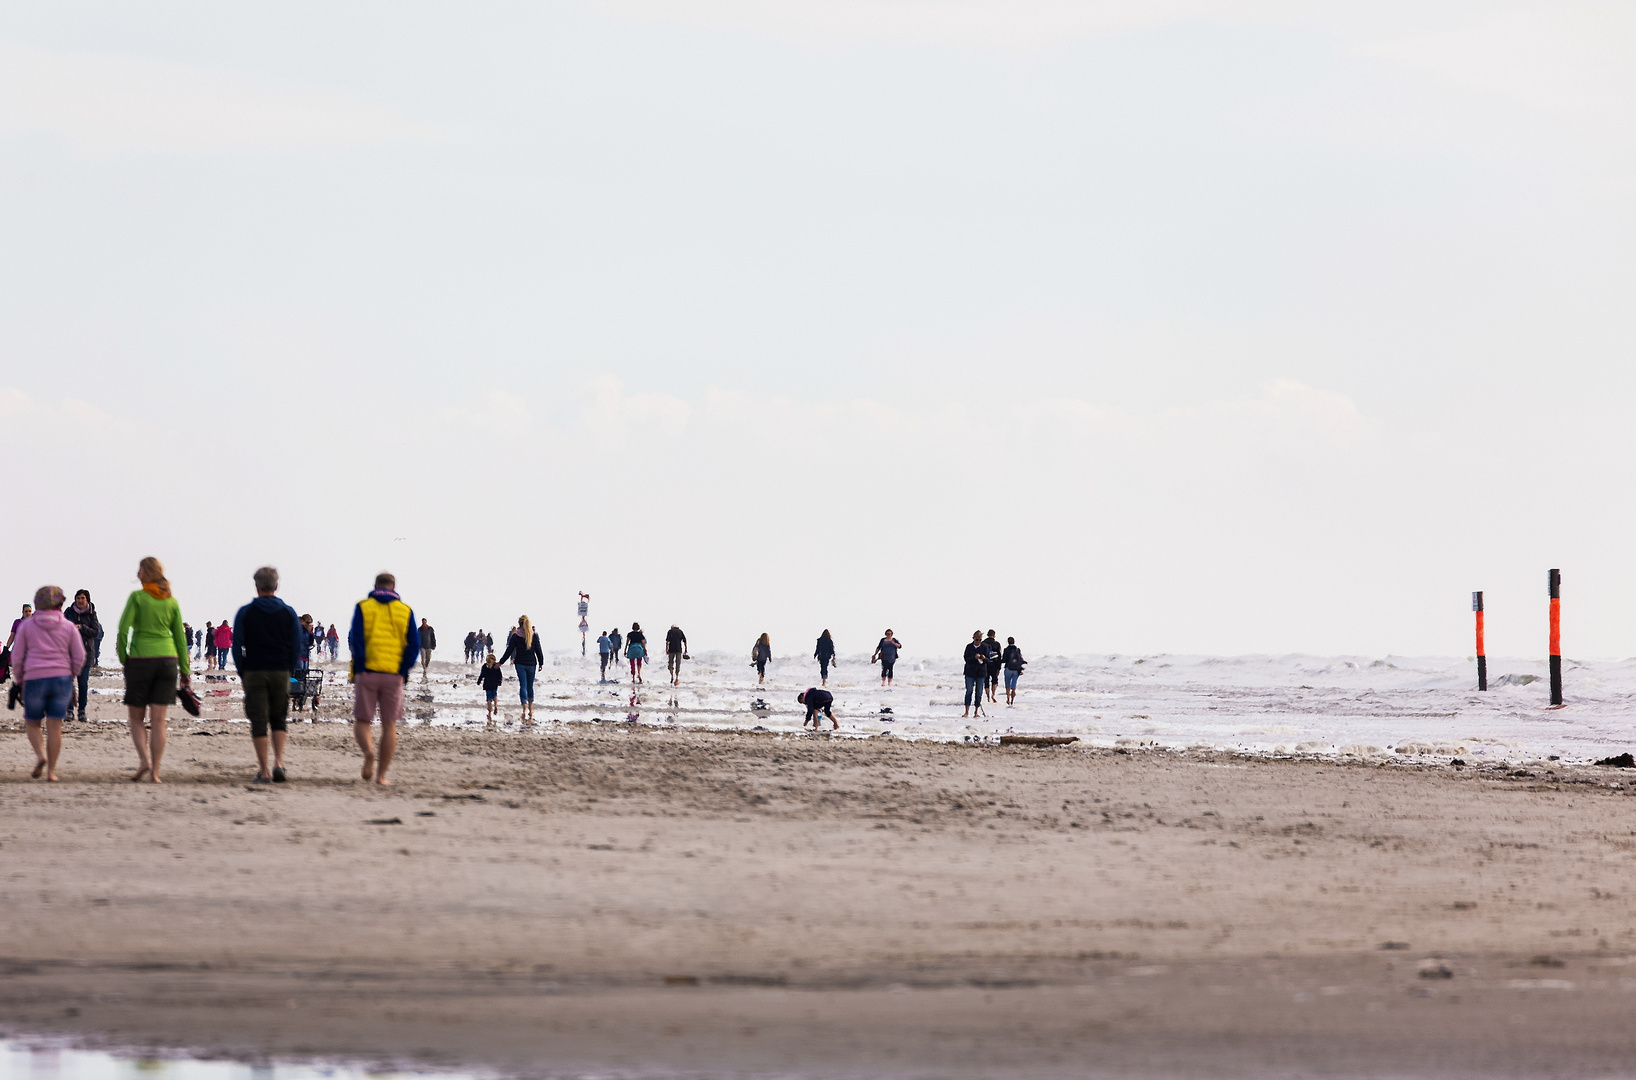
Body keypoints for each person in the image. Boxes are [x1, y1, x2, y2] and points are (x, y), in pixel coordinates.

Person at [116, 557, 190, 783]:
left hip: (141, 659)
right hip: (167, 660)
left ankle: (144, 761)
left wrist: (123, 658)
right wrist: (185, 670)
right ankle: (156, 772)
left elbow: (122, 630)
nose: (137, 575)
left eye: (140, 571)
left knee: (136, 718)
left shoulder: (137, 597)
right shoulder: (172, 601)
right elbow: (180, 637)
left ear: (148, 573)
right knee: (159, 720)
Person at [347, 572, 420, 786]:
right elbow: (413, 645)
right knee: (389, 725)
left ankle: (368, 752)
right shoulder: (405, 610)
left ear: (375, 585)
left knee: (362, 721)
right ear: (394, 587)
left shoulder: (363, 606)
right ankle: (381, 776)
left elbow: (355, 638)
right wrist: (403, 670)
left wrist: (361, 665)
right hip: (393, 675)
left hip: (367, 672)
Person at [232, 567, 303, 784]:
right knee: (279, 717)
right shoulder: (288, 612)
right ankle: (279, 763)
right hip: (280, 669)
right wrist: (289, 669)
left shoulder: (246, 612)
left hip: (254, 669)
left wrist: (242, 670)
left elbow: (238, 646)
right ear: (276, 585)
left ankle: (264, 771)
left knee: (259, 720)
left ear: (256, 586)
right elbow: (296, 645)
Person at [13, 586, 84, 781]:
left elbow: (17, 657)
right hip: (61, 679)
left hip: (34, 678)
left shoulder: (27, 626)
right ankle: (51, 772)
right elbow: (79, 656)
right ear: (60, 604)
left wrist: (20, 680)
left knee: (33, 723)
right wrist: (71, 675)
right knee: (55, 726)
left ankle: (40, 755)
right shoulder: (68, 626)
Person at [498, 616, 543, 721]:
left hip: (520, 663)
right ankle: (531, 709)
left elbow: (509, 650)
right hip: (531, 663)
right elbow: (538, 650)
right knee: (530, 686)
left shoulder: (515, 636)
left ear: (519, 623)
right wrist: (541, 662)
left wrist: (500, 662)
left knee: (523, 685)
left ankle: (524, 709)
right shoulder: (534, 635)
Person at [64, 591, 101, 722]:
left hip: (86, 654)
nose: (80, 600)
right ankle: (69, 711)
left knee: (83, 684)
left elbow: (96, 631)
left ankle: (81, 711)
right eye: (78, 598)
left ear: (87, 600)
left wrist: (82, 628)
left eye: (83, 598)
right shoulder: (69, 612)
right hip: (69, 654)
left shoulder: (92, 613)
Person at [961, 631, 986, 719]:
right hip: (970, 672)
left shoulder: (984, 647)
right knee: (969, 691)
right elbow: (966, 658)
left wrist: (984, 658)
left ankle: (976, 711)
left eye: (980, 640)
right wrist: (973, 657)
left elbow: (989, 660)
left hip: (981, 672)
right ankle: (966, 711)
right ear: (973, 638)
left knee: (979, 692)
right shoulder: (969, 647)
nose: (978, 641)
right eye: (976, 640)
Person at [477, 652, 503, 720]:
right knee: (495, 694)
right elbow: (500, 675)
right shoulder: (496, 667)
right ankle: (496, 706)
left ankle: (489, 713)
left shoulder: (484, 666)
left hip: (487, 683)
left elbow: (482, 675)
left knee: (489, 698)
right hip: (494, 683)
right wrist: (500, 681)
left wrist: (479, 681)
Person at [1001, 636, 1027, 705]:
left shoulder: (1006, 650)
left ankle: (1008, 698)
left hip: (1008, 669)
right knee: (1014, 686)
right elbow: (1020, 659)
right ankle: (1012, 700)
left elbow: (1004, 660)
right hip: (1016, 670)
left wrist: (997, 661)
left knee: (1007, 684)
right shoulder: (1017, 649)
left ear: (1007, 642)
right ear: (1014, 642)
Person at [983, 629, 1003, 704]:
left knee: (986, 681)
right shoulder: (997, 644)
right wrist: (999, 667)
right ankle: (993, 695)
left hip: (985, 664)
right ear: (994, 635)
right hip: (994, 664)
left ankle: (988, 697)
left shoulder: (983, 643)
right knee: (994, 680)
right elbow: (1000, 655)